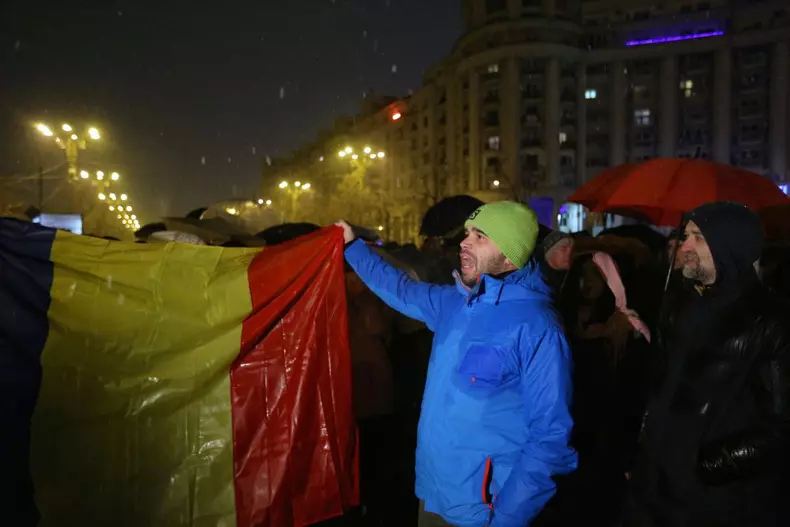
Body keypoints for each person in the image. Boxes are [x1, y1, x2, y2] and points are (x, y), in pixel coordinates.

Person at [336, 201, 577, 527]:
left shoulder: (538, 327)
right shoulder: (455, 303)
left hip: (483, 512)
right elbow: (400, 289)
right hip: (433, 496)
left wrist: (506, 518)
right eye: (466, 233)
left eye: (480, 236)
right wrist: (352, 247)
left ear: (510, 255)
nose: (464, 242)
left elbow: (550, 438)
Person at [625, 202, 790, 526]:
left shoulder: (772, 321)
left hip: (720, 503)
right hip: (651, 493)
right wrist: (642, 456)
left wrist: (701, 466)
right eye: (685, 235)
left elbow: (780, 425)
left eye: (697, 238)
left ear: (728, 246)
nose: (684, 246)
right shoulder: (678, 303)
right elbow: (658, 388)